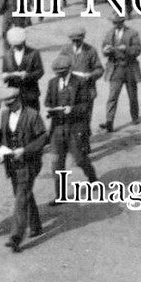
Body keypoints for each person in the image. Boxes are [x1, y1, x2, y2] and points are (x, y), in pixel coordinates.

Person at [0, 87, 49, 252]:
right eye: (6, 104)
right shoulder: (4, 115)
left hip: (29, 163)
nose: (8, 107)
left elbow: (43, 138)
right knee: (23, 194)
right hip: (12, 163)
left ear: (18, 100)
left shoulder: (32, 115)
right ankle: (36, 225)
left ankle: (15, 237)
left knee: (20, 198)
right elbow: (1, 137)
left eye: (11, 104)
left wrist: (25, 150)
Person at [45, 55, 98, 205]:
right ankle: (60, 194)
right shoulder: (53, 83)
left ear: (68, 70)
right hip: (57, 129)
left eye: (61, 72)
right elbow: (48, 101)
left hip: (75, 128)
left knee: (80, 159)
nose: (59, 74)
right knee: (57, 163)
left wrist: (72, 109)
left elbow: (86, 106)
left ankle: (92, 178)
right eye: (57, 72)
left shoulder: (80, 82)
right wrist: (51, 109)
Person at [99, 15, 141, 132]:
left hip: (129, 67)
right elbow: (103, 48)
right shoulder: (109, 33)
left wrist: (127, 49)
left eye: (118, 23)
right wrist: (106, 51)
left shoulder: (132, 33)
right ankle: (109, 122)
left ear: (123, 22)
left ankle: (135, 117)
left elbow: (138, 49)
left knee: (132, 95)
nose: (115, 25)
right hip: (115, 68)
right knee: (112, 96)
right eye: (114, 23)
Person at [1, 26, 45, 112]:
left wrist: (28, 75)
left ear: (23, 42)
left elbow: (40, 71)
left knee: (32, 119)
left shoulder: (33, 53)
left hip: (31, 94)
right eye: (13, 45)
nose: (15, 47)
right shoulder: (7, 56)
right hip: (14, 96)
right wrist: (6, 76)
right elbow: (4, 72)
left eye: (18, 45)